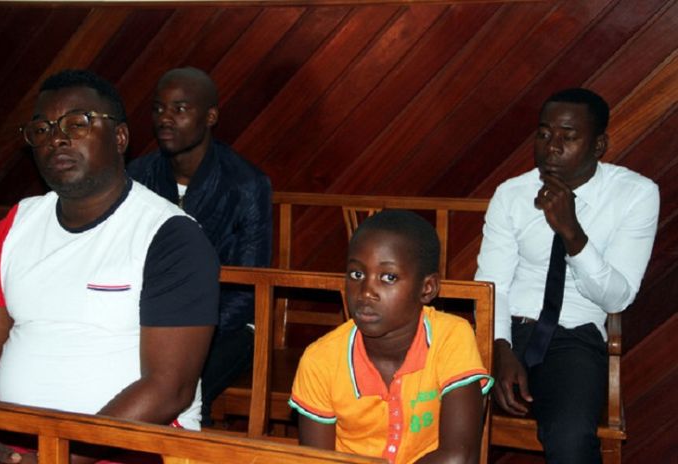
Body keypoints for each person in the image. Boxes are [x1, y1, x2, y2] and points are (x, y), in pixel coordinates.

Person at [0, 69, 220, 462]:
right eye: (41, 129)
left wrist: (57, 456)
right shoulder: (15, 226)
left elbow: (168, 388)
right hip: (17, 451)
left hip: (127, 451)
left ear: (120, 137)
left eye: (77, 123)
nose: (56, 138)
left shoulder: (170, 236)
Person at [475, 88, 659, 463]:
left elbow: (617, 298)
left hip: (573, 338)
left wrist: (572, 233)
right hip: (508, 330)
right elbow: (493, 286)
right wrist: (499, 348)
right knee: (437, 414)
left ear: (599, 145)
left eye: (568, 137)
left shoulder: (635, 195)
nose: (552, 148)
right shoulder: (511, 195)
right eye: (544, 134)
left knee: (571, 437)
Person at [127, 67, 272, 425]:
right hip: (147, 322)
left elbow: (248, 287)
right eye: (158, 108)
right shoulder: (136, 177)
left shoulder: (245, 183)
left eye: (179, 109)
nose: (165, 118)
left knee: (180, 391)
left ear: (210, 117)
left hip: (224, 326)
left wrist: (192, 328)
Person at [289, 210, 493, 464]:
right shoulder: (321, 361)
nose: (366, 292)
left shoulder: (450, 338)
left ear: (427, 288)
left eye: (389, 277)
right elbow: (318, 461)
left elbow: (459, 456)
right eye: (356, 274)